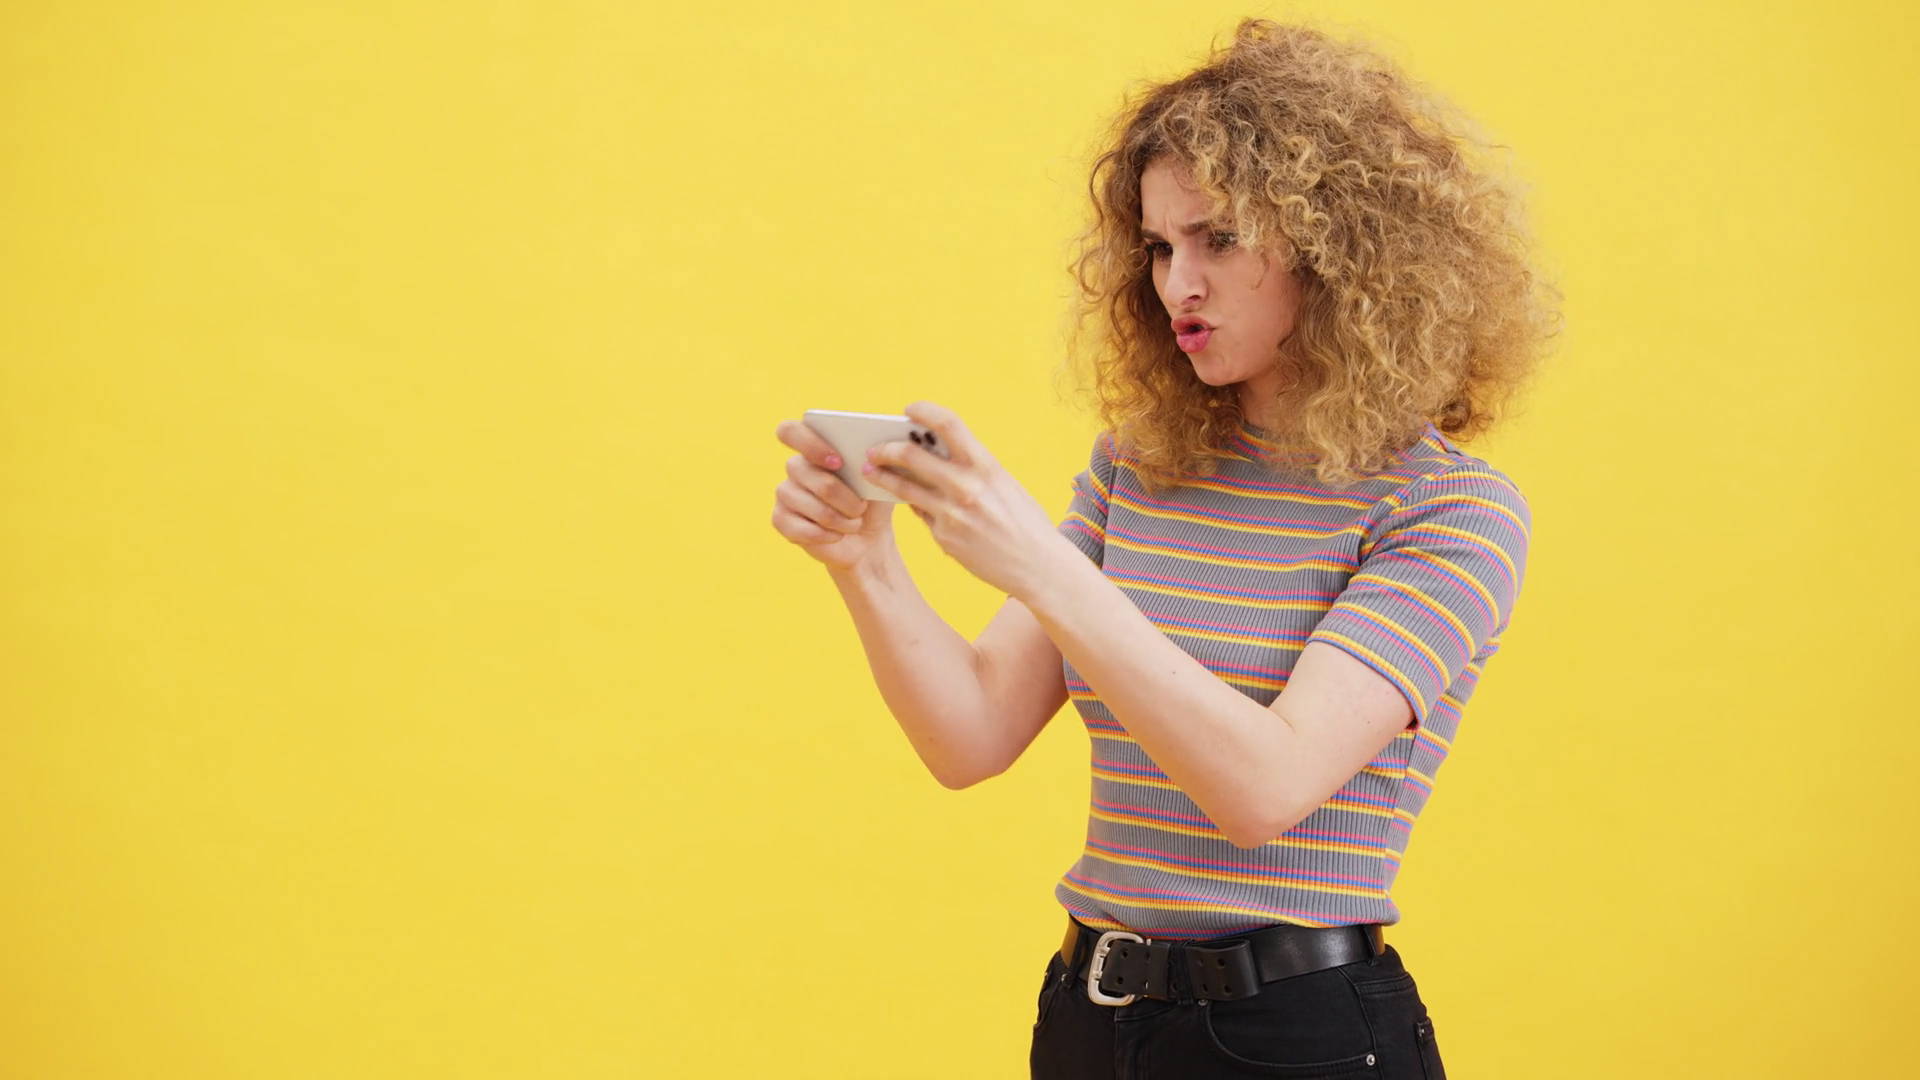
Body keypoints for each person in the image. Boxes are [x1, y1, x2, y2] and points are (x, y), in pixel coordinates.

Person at [769, 19, 1557, 1079]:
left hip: (1296, 1037)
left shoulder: (1450, 510)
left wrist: (1043, 569)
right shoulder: (1141, 467)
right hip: (1093, 1020)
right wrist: (866, 562)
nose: (1177, 282)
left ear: (1335, 245)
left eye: (1216, 239)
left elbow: (1265, 787)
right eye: (1157, 247)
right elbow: (970, 738)